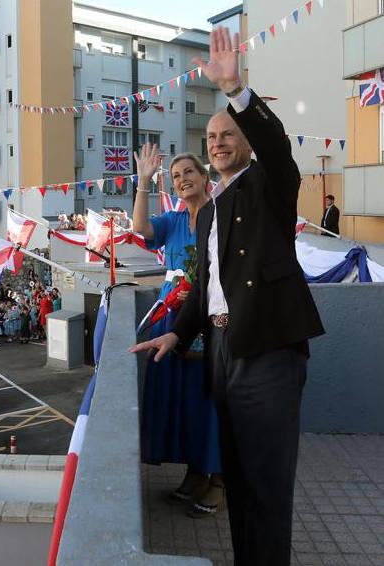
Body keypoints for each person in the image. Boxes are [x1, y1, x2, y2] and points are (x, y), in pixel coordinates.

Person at [130, 27, 324, 566]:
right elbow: (207, 289)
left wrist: (237, 89)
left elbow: (279, 151)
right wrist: (177, 330)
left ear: (245, 140)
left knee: (266, 486)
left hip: (267, 351)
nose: (217, 142)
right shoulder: (210, 209)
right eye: (211, 136)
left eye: (227, 134)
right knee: (237, 481)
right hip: (221, 352)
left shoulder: (269, 186)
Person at [132, 144, 224, 517]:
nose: (183, 179)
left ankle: (217, 479)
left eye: (189, 172)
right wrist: (143, 182)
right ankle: (194, 470)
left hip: (208, 318)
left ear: (204, 177)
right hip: (173, 321)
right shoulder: (172, 220)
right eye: (175, 176)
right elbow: (140, 228)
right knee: (184, 401)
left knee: (209, 401)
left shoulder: (219, 215)